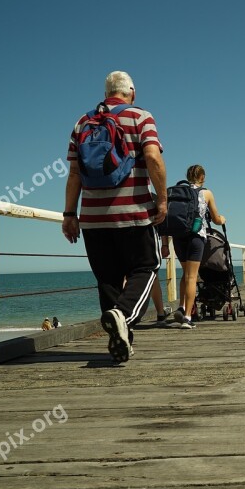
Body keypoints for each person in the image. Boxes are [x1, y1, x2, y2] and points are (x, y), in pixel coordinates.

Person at [62, 71, 167, 363]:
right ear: (131, 91)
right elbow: (154, 158)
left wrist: (70, 214)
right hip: (133, 214)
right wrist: (162, 200)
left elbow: (73, 174)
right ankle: (123, 315)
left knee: (108, 279)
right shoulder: (141, 117)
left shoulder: (82, 122)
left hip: (93, 219)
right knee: (146, 267)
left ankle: (122, 342)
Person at [166, 165, 226, 330]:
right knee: (192, 277)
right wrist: (223, 219)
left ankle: (181, 306)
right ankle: (186, 316)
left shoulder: (175, 192)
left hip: (178, 237)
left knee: (185, 274)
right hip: (195, 236)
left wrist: (165, 244)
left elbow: (167, 217)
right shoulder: (206, 193)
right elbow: (215, 219)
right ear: (202, 177)